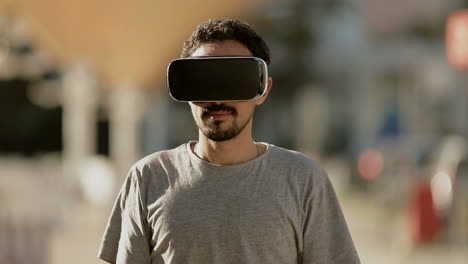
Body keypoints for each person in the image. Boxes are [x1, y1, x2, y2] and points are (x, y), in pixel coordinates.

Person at [98, 19, 360, 264]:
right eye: (203, 81)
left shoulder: (304, 179)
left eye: (235, 80)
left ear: (263, 90)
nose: (218, 98)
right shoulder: (148, 177)